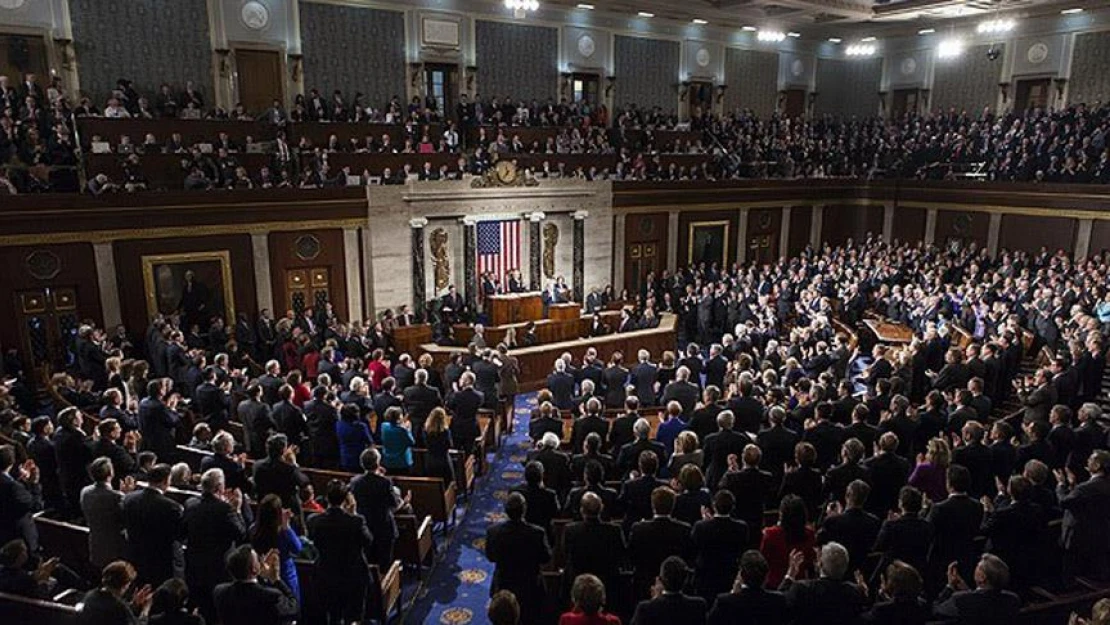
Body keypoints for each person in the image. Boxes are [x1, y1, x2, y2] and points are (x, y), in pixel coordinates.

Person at [307, 479, 375, 625]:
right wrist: (353, 514)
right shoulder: (356, 521)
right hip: (353, 575)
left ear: (326, 498)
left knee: (333, 615)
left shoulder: (314, 521)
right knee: (354, 616)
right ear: (346, 499)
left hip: (326, 573)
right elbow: (368, 541)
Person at [183, 468, 247, 621]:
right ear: (219, 488)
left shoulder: (190, 504)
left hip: (194, 567)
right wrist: (237, 510)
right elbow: (241, 534)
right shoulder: (225, 509)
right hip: (218, 569)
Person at [485, 492, 552, 620]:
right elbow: (546, 558)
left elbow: (491, 557)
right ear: (524, 509)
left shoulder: (493, 532)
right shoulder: (537, 533)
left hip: (504, 583)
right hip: (531, 586)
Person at [121, 463, 184, 587]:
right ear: (166, 480)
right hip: (162, 562)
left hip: (135, 556)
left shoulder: (129, 499)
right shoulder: (172, 507)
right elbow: (180, 535)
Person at [628, 487, 692, 600]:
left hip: (644, 584)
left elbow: (632, 556)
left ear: (653, 506)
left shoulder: (638, 529)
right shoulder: (684, 529)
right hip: (676, 586)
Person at [780, 542, 866, 625]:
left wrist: (790, 575)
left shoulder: (802, 589)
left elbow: (779, 605)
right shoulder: (855, 592)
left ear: (820, 564)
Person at [1057, 449, 1110, 582]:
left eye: (1091, 459)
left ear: (1098, 466)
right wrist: (1073, 486)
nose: (1088, 461)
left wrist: (1061, 485)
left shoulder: (1086, 488)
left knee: (1072, 575)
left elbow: (1064, 502)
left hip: (1078, 536)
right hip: (1100, 534)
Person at [563, 492, 626, 602]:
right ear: (601, 508)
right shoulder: (613, 530)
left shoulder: (571, 530)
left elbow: (566, 554)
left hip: (578, 584)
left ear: (582, 510)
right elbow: (621, 555)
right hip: (608, 584)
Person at [213, 545, 299, 625]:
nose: (261, 560)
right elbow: (294, 608)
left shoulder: (220, 591)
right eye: (258, 559)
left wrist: (261, 575)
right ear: (254, 569)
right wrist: (276, 579)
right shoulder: (271, 596)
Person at [350, 447, 405, 570]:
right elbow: (394, 505)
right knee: (385, 563)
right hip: (383, 528)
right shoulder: (385, 483)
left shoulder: (355, 482)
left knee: (370, 560)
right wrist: (404, 502)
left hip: (366, 525)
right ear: (378, 463)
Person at [691, 490, 748, 601]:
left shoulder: (700, 527)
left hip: (705, 578)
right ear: (732, 507)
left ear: (714, 506)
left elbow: (693, 546)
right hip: (729, 576)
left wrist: (705, 522)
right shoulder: (741, 527)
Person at [932, 554, 1021, 624]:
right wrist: (968, 591)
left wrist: (950, 586)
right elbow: (982, 601)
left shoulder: (960, 599)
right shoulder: (1012, 599)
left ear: (982, 577)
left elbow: (936, 610)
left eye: (978, 566)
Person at [706, 550, 788, 625]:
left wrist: (732, 594)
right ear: (766, 577)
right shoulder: (778, 601)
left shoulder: (724, 602)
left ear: (741, 574)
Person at [81, 457, 134, 571]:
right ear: (111, 473)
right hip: (116, 548)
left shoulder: (85, 492)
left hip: (95, 544)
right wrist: (127, 496)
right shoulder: (116, 497)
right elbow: (126, 520)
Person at [817, 480, 881, 574]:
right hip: (861, 571)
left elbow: (819, 541)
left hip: (835, 570)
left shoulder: (832, 521)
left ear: (847, 495)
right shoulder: (874, 522)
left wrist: (832, 516)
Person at [629, 556, 707, 625]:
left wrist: (655, 600)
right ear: (686, 580)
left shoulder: (645, 609)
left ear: (660, 580)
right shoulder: (698, 606)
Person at [760, 495, 815, 588]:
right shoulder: (810, 534)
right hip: (800, 585)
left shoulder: (770, 534)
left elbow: (763, 561)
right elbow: (810, 561)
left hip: (774, 585)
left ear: (781, 514)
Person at [252, 434, 309, 522]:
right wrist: (294, 464)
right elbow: (304, 482)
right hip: (286, 511)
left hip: (264, 509)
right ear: (283, 450)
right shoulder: (289, 469)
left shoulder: (257, 466)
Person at [76, 561, 154, 625]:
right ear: (124, 585)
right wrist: (145, 610)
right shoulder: (118, 606)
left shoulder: (90, 595)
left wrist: (133, 604)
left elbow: (113, 615)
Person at [0, 445, 41, 555]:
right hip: (18, 538)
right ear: (11, 462)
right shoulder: (12, 486)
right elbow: (35, 505)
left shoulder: (12, 484)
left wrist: (22, 482)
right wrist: (34, 483)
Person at [861, 560, 930, 625]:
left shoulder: (882, 610)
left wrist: (863, 595)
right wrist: (889, 600)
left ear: (893, 585)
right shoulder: (923, 607)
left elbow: (860, 620)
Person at [336, 403, 373, 472]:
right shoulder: (360, 426)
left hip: (344, 457)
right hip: (359, 459)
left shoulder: (338, 424)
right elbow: (369, 442)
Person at [423, 407, 456, 486]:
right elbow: (450, 445)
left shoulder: (426, 430)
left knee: (434, 484)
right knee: (447, 483)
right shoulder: (445, 432)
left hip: (430, 460)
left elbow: (425, 444)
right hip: (443, 460)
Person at [379, 406, 416, 474]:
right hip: (402, 462)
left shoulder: (384, 426)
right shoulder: (403, 430)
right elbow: (412, 442)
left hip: (388, 461)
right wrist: (408, 429)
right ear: (399, 417)